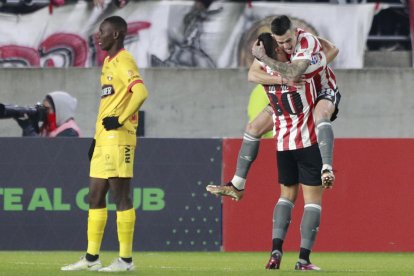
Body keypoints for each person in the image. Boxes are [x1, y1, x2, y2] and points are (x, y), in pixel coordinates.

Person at [61, 16, 148, 272]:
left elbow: (141, 92)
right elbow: (110, 104)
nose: (98, 36)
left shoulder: (124, 60)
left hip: (119, 138)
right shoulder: (108, 63)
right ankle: (91, 258)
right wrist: (96, 137)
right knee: (95, 196)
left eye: (103, 32)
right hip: (104, 140)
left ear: (117, 34)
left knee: (121, 197)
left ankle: (126, 260)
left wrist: (120, 119)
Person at [15, 91, 81, 137]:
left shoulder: (70, 132)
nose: (44, 112)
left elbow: (46, 152)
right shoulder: (47, 128)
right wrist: (33, 123)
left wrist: (28, 128)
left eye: (47, 109)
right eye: (43, 108)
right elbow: (28, 148)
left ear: (59, 110)